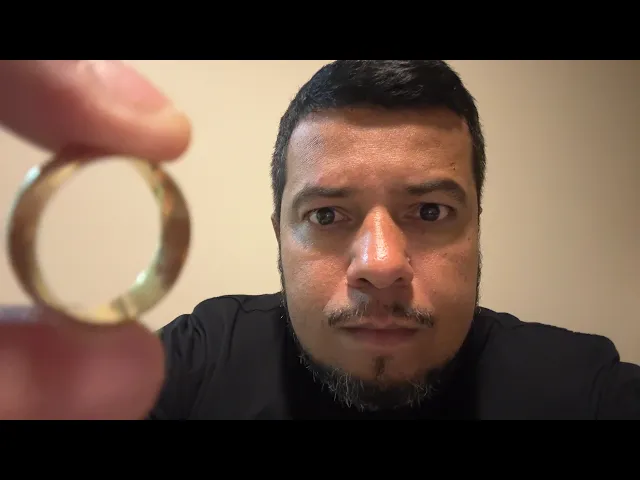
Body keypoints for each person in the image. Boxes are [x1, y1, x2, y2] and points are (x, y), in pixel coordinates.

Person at [1, 60, 638, 420]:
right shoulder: (200, 362)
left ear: (476, 225)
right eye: (328, 215)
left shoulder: (579, 389)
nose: (381, 265)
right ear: (279, 233)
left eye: (430, 210)